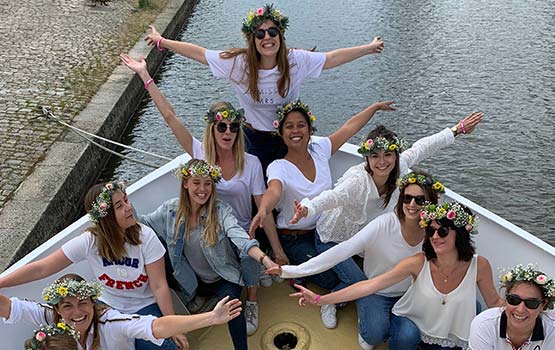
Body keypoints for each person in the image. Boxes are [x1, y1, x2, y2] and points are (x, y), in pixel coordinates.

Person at [120, 53, 283, 335]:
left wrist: (278, 252)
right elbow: (170, 117)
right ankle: (194, 291)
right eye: (222, 126)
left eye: (234, 127)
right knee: (170, 238)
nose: (228, 132)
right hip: (209, 230)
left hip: (239, 231)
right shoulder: (200, 155)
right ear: (212, 127)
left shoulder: (252, 163)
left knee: (248, 247)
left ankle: (252, 298)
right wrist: (145, 75)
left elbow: (262, 211)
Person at [145, 3, 384, 170]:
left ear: (280, 36)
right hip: (253, 138)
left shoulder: (295, 61)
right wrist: (161, 41)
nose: (266, 38)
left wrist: (368, 48)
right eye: (260, 34)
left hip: (289, 137)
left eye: (272, 32)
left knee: (288, 188)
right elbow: (200, 54)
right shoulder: (239, 64)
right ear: (252, 39)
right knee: (257, 189)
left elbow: (331, 58)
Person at [250, 98, 395, 329]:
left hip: (327, 231)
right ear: (281, 132)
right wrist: (264, 209)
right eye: (289, 126)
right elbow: (273, 190)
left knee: (359, 265)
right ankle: (323, 294)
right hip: (296, 237)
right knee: (339, 278)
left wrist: (374, 107)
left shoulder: (319, 150)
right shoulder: (278, 166)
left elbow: (349, 128)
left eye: (301, 124)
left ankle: (324, 287)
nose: (296, 130)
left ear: (309, 129)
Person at [290, 201, 504, 350]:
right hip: (413, 322)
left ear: (461, 234)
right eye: (430, 232)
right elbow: (371, 285)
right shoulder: (419, 263)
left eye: (443, 231)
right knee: (405, 337)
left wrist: (528, 312)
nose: (435, 236)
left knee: (474, 308)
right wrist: (320, 300)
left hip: (448, 330)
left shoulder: (479, 265)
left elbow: (494, 302)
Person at [0, 181, 187, 350]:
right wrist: (1, 282)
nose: (129, 208)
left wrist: (173, 327)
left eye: (126, 200)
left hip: (143, 306)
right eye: (119, 206)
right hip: (105, 306)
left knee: (166, 347)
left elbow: (159, 286)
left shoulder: (145, 238)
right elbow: (42, 268)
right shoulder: (90, 241)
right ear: (106, 216)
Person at [268, 171, 445, 348]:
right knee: (374, 336)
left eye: (420, 200)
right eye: (407, 198)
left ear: (430, 203)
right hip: (376, 291)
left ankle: (394, 324)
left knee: (409, 336)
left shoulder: (436, 233)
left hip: (410, 295)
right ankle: (369, 322)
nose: (412, 204)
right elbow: (342, 251)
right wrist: (290, 271)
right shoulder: (384, 224)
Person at [139, 159, 279, 350]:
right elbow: (142, 225)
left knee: (232, 308)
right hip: (192, 280)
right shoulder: (170, 210)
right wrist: (116, 212)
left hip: (223, 278)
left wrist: (265, 259)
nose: (202, 189)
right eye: (196, 182)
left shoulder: (221, 211)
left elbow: (240, 237)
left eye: (207, 183)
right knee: (158, 247)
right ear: (185, 183)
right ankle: (196, 296)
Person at [1, 274, 241, 350]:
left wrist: (212, 317)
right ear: (57, 309)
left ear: (93, 303)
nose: (77, 312)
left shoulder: (110, 323)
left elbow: (155, 326)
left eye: (83, 302)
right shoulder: (47, 316)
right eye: (67, 305)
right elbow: (7, 307)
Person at [469, 264, 555, 349]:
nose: (520, 310)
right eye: (514, 300)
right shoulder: (484, 325)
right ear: (506, 298)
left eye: (531, 303)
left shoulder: (552, 331)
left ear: (543, 305)